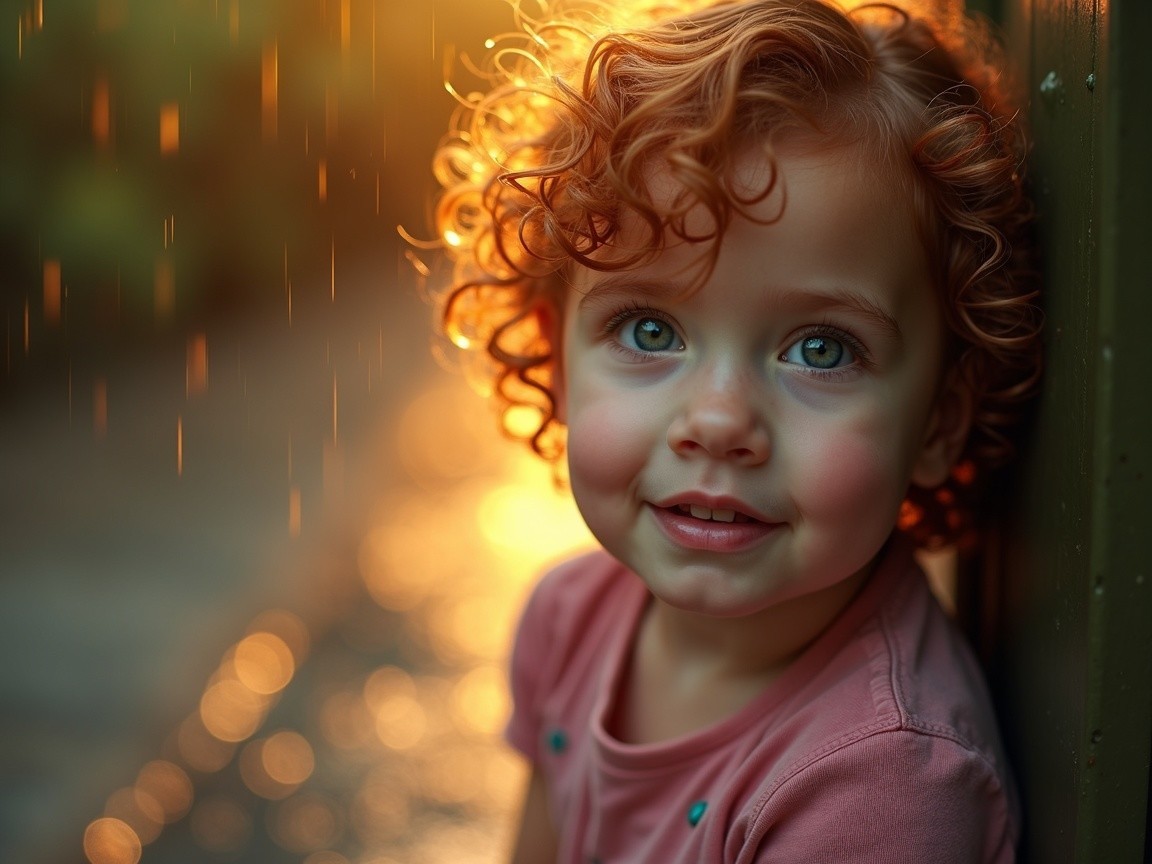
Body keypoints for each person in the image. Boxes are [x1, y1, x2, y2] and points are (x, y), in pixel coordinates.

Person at [426, 0, 1041, 860]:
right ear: (557, 363)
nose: (718, 421)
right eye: (650, 331)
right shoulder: (570, 620)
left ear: (941, 417)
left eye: (821, 348)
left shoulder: (880, 788)